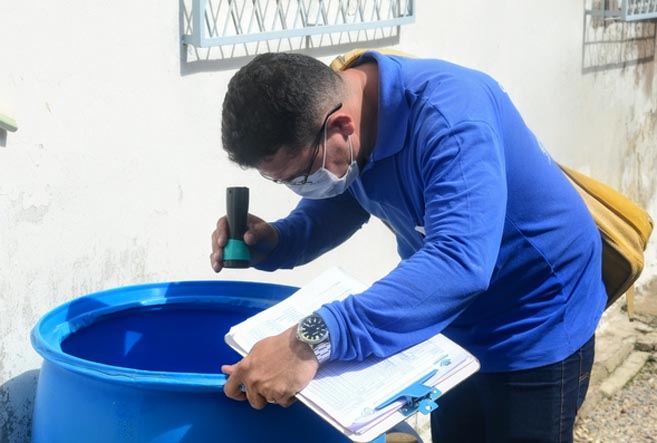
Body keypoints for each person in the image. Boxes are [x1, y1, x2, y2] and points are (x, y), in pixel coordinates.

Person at [210, 51, 607, 443]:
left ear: (342, 126)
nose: (301, 188)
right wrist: (278, 241)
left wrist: (311, 340)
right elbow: (343, 200)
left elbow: (459, 262)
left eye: (301, 176)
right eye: (285, 182)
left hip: (534, 312)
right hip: (448, 319)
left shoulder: (451, 119)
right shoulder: (349, 119)